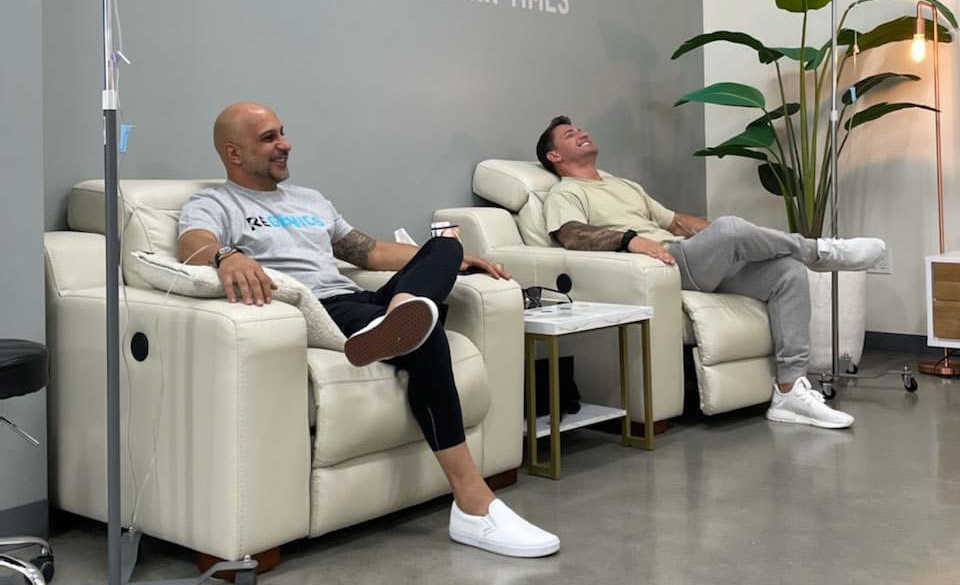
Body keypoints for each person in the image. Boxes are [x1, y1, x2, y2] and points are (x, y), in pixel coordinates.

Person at [178, 102, 559, 559]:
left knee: (444, 246)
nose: (285, 144)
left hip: (366, 302)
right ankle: (474, 505)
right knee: (428, 335)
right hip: (321, 309)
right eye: (269, 138)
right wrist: (227, 255)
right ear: (233, 154)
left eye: (282, 132)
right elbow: (192, 245)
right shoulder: (215, 203)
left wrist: (453, 260)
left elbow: (370, 252)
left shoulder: (310, 200)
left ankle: (404, 314)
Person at [535, 116, 887, 430]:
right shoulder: (565, 192)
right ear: (555, 157)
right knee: (732, 229)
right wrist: (630, 240)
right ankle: (821, 251)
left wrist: (721, 236)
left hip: (687, 256)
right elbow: (570, 234)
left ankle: (789, 391)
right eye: (569, 134)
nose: (581, 132)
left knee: (787, 272)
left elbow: (675, 221)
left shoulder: (624, 186)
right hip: (662, 265)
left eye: (581, 127)